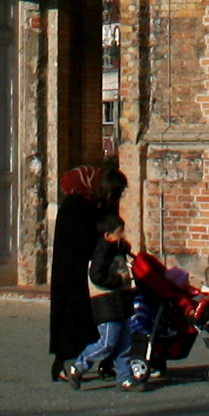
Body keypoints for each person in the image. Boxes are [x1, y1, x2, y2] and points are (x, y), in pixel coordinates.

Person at [47, 163, 125, 378]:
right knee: (72, 320)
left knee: (101, 317)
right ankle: (64, 363)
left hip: (95, 270)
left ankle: (104, 361)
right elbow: (82, 239)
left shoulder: (99, 204)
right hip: (73, 272)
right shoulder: (75, 205)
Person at [65, 209, 143, 384]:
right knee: (108, 343)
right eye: (120, 233)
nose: (123, 235)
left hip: (121, 302)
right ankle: (78, 365)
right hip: (107, 305)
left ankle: (125, 377)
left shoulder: (116, 248)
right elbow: (97, 276)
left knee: (124, 344)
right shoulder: (101, 252)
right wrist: (117, 279)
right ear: (108, 236)